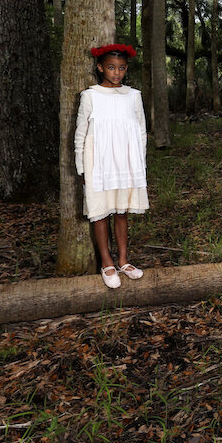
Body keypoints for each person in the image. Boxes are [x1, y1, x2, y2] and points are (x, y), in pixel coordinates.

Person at [74, 44, 149, 288]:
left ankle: (124, 260)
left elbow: (140, 131)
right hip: (98, 162)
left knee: (121, 210)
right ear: (100, 67)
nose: (116, 73)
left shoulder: (133, 95)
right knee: (100, 212)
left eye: (121, 68)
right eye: (111, 67)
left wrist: (140, 163)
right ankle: (107, 262)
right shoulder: (90, 95)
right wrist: (81, 168)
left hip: (126, 161)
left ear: (126, 69)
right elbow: (81, 133)